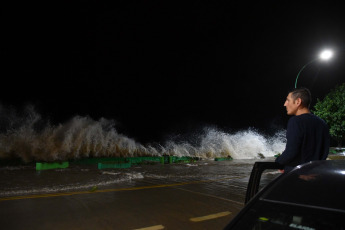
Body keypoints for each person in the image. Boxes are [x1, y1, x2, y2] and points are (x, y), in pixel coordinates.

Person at [276, 88, 330, 172]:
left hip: (298, 177)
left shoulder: (295, 121)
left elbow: (291, 152)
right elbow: (324, 152)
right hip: (318, 175)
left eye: (288, 100)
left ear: (298, 102)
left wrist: (278, 162)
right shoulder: (322, 123)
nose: (285, 104)